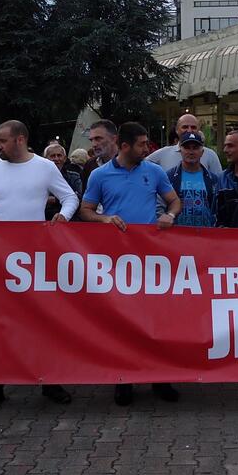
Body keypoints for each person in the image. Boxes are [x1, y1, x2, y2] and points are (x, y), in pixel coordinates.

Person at [0, 120, 80, 413]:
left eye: (2, 140)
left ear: (20, 139)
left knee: (41, 319)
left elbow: (69, 197)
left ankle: (49, 381)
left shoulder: (45, 167)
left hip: (34, 258)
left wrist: (62, 217)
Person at [79, 122, 183, 406]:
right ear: (124, 146)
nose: (147, 148)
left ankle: (160, 377)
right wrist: (104, 219)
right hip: (116, 261)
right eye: (141, 144)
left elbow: (174, 202)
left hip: (150, 259)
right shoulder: (100, 175)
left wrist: (170, 217)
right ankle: (122, 379)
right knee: (121, 322)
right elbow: (85, 210)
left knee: (156, 320)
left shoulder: (154, 171)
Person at [166, 131, 217, 227]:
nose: (191, 151)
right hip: (177, 236)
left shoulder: (213, 179)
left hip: (206, 236)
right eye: (187, 147)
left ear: (202, 152)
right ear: (180, 150)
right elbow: (160, 206)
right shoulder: (169, 177)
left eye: (195, 148)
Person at [146, 113, 223, 174]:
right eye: (185, 127)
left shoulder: (210, 155)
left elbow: (219, 183)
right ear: (176, 130)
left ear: (198, 130)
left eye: (193, 127)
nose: (189, 130)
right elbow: (140, 166)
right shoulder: (163, 153)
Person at [44, 143, 84, 220]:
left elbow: (80, 198)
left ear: (65, 158)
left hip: (69, 220)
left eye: (59, 155)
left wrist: (55, 200)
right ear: (45, 159)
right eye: (52, 156)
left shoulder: (74, 177)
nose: (56, 158)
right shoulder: (39, 178)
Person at [81, 119, 119, 187]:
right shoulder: (90, 165)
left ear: (114, 139)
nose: (94, 144)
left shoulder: (130, 163)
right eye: (91, 140)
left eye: (98, 139)